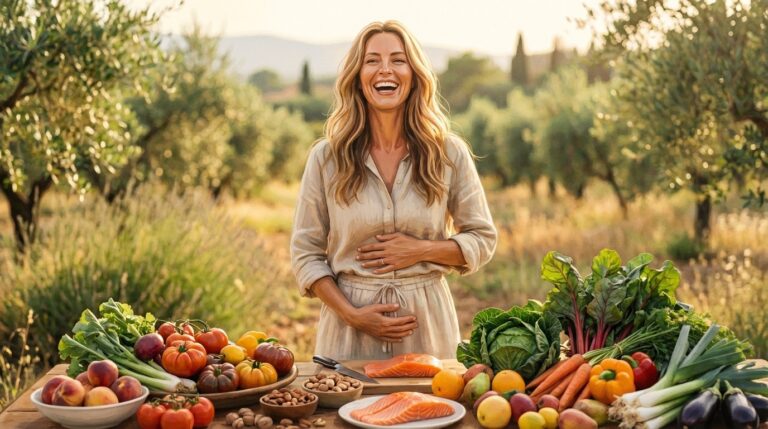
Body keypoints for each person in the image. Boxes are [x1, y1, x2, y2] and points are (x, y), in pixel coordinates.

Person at [290, 20, 496, 360]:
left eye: (398, 60)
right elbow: (305, 254)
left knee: (432, 397)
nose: (385, 69)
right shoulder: (326, 158)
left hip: (427, 326)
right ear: (357, 77)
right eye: (372, 60)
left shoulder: (448, 153)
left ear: (414, 74)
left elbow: (482, 239)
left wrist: (421, 250)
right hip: (348, 332)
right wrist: (352, 315)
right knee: (345, 399)